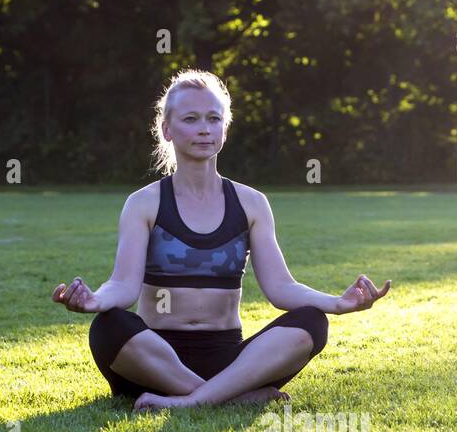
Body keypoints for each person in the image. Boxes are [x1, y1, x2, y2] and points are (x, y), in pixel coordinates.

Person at [51, 69, 391, 411]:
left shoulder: (251, 203)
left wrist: (337, 303)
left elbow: (281, 288)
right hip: (154, 358)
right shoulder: (144, 203)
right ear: (167, 130)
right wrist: (95, 300)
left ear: (224, 130)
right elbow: (123, 287)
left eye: (214, 119)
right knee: (107, 326)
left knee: (311, 322)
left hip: (230, 360)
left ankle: (195, 399)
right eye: (190, 118)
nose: (204, 128)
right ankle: (230, 397)